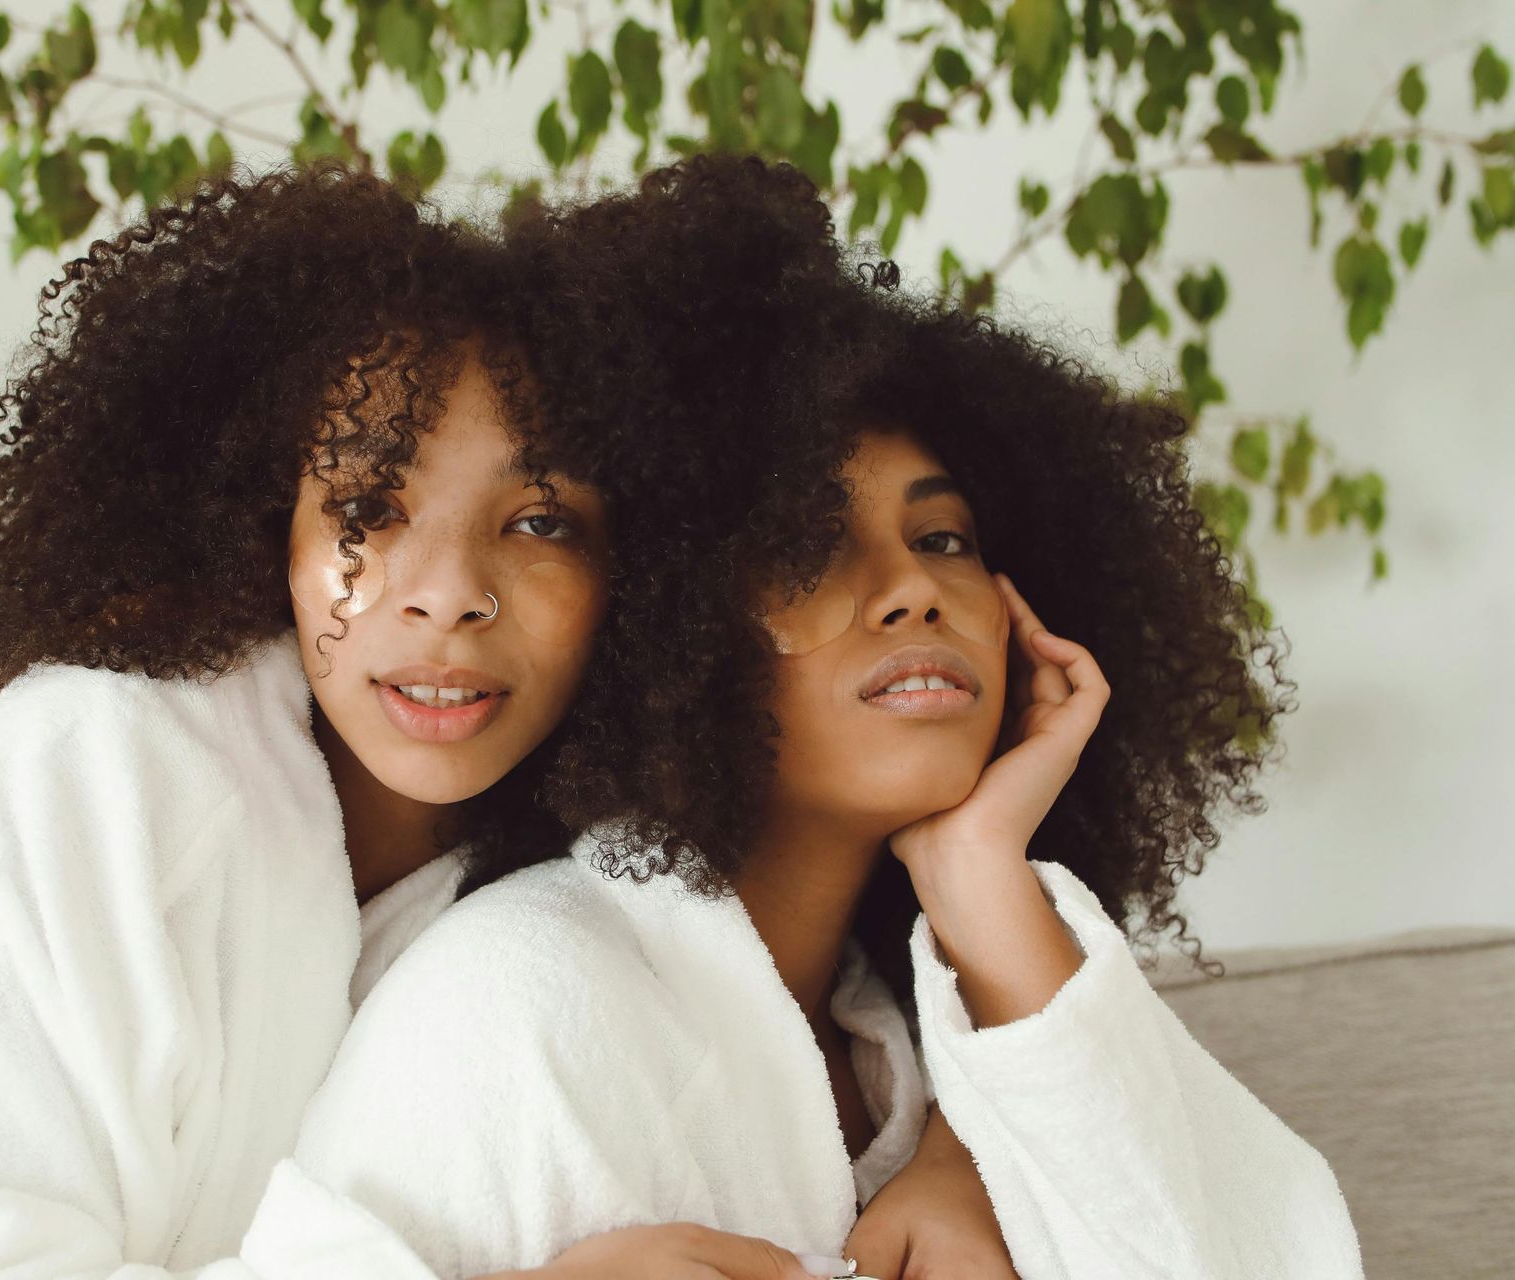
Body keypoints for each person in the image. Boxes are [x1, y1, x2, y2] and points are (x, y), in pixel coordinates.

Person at [0, 164, 854, 1280]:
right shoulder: (100, 766)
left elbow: (818, 1027)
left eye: (539, 522)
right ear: (270, 533)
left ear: (644, 579)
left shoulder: (555, 868)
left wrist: (959, 1151)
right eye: (366, 506)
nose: (447, 591)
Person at [235, 156, 1365, 1279]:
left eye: (945, 540)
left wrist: (978, 874)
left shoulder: (932, 1041)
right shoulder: (519, 1007)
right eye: (809, 548)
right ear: (673, 625)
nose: (915, 589)